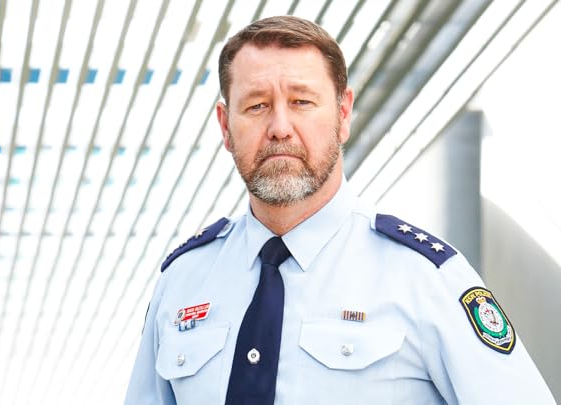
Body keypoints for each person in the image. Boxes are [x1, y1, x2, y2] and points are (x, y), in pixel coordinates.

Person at [124, 15, 556, 404]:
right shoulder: (181, 283)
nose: (279, 128)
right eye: (256, 106)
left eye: (301, 102)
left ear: (343, 113)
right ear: (225, 126)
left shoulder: (426, 278)